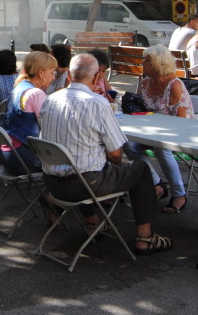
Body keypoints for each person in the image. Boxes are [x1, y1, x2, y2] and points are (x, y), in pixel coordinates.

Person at [38, 53, 173, 255]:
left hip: (52, 184)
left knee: (80, 164)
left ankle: (92, 221)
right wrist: (111, 162)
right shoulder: (97, 103)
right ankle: (145, 237)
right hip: (84, 185)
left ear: (69, 76)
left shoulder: (49, 100)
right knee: (140, 169)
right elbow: (116, 153)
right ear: (97, 76)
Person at [124, 45, 191, 215]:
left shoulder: (174, 85)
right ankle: (156, 183)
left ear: (157, 63)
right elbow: (139, 112)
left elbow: (181, 122)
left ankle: (179, 194)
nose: (142, 63)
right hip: (150, 131)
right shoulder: (145, 83)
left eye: (146, 60)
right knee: (127, 144)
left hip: (177, 132)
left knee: (162, 148)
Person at [2, 51, 57, 174]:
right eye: (52, 73)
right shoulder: (36, 93)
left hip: (8, 155)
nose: (53, 78)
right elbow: (48, 126)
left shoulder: (19, 86)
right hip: (23, 159)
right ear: (41, 73)